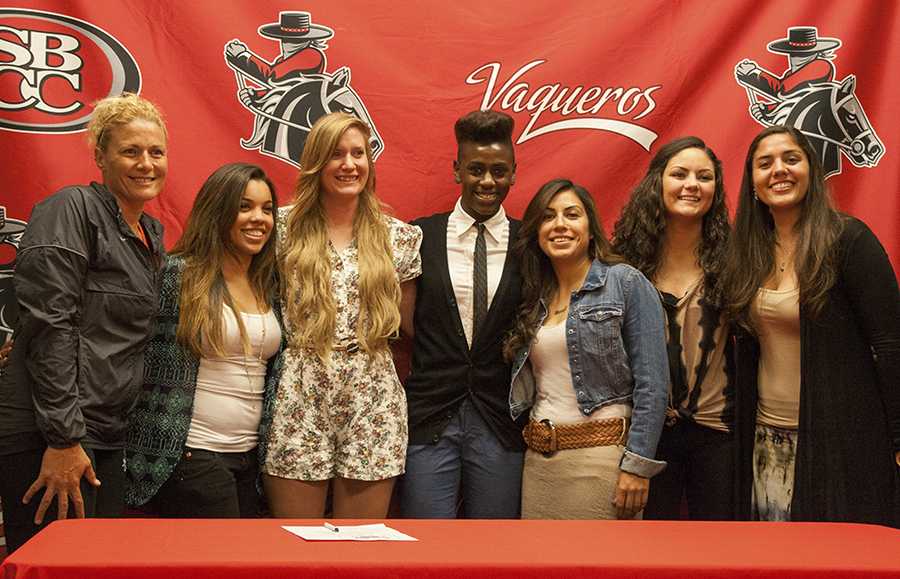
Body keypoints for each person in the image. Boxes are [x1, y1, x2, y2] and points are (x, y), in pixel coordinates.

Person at [0, 93, 167, 552]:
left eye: (156, 152)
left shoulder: (150, 234)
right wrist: (63, 437)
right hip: (50, 431)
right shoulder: (70, 209)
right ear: (100, 156)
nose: (146, 163)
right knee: (54, 564)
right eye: (130, 152)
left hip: (105, 432)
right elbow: (49, 326)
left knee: (97, 564)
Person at [720, 125, 899, 525]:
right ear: (752, 182)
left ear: (812, 171)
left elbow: (891, 344)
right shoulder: (746, 253)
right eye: (764, 164)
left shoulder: (848, 239)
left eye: (791, 159)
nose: (778, 170)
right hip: (766, 440)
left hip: (839, 440)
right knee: (772, 562)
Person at [263, 112, 422, 518]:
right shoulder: (281, 228)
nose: (349, 164)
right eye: (336, 154)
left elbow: (410, 327)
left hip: (372, 391)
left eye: (358, 154)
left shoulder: (397, 236)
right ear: (317, 162)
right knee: (296, 547)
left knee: (361, 545)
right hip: (300, 386)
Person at [125, 163, 283, 518]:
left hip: (250, 459)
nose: (258, 218)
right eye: (244, 207)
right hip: (190, 454)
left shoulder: (269, 284)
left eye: (267, 209)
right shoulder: (178, 275)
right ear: (218, 210)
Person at [504, 179, 669, 519]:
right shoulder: (534, 300)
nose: (560, 224)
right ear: (537, 231)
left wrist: (637, 466)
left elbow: (653, 385)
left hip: (601, 460)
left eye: (572, 214)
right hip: (539, 463)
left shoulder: (625, 282)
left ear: (591, 229)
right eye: (548, 217)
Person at [401, 110, 525, 519]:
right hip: (429, 417)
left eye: (498, 171)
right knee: (425, 551)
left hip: (501, 422)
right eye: (475, 169)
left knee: (495, 554)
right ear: (457, 170)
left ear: (513, 174)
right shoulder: (418, 237)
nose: (487, 181)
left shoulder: (532, 242)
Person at [612, 137, 735, 520]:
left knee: (721, 552)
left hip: (720, 434)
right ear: (657, 183)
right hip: (645, 435)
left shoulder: (737, 260)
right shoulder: (624, 262)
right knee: (648, 552)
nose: (692, 185)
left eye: (704, 176)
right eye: (679, 174)